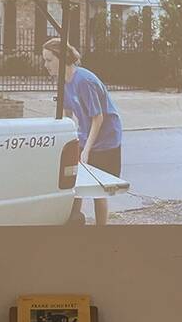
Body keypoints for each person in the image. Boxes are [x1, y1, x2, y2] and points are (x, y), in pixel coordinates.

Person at [42, 37, 122, 226]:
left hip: (106, 138)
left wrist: (86, 150)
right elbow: (67, 114)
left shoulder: (84, 81)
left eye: (49, 60)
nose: (45, 65)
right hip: (86, 135)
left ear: (62, 58)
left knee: (98, 190)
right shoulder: (63, 82)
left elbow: (98, 117)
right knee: (74, 184)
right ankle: (74, 222)